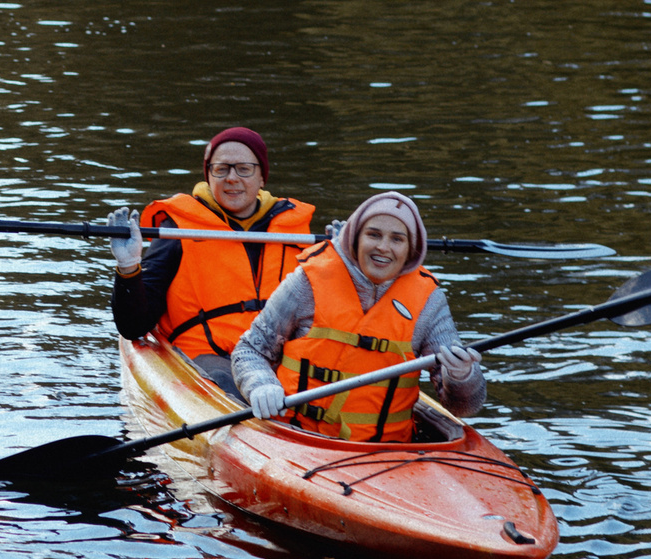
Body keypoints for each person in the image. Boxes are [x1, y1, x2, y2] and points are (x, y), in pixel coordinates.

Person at [231, 190, 484, 440]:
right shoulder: (307, 281)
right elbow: (249, 350)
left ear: (411, 248)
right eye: (373, 235)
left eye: (397, 239)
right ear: (355, 238)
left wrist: (462, 377)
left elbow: (463, 408)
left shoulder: (429, 300)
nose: (383, 247)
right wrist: (261, 384)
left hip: (388, 452)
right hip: (297, 435)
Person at [108, 127, 316, 396]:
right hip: (210, 360)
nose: (232, 178)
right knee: (225, 381)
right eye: (221, 169)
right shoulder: (179, 231)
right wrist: (128, 267)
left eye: (244, 169)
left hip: (281, 360)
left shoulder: (298, 232)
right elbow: (133, 326)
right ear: (208, 176)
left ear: (262, 177)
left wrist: (345, 260)